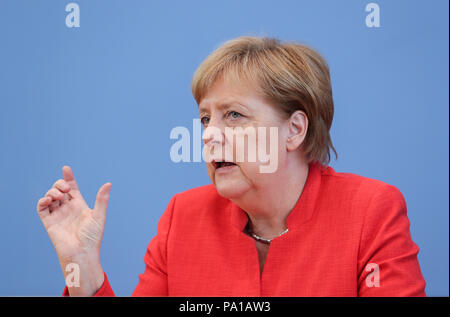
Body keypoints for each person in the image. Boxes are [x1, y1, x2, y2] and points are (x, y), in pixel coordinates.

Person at [36, 36, 426, 296]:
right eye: (206, 118)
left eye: (234, 115)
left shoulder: (371, 211)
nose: (208, 135)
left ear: (293, 130)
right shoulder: (183, 217)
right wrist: (83, 269)